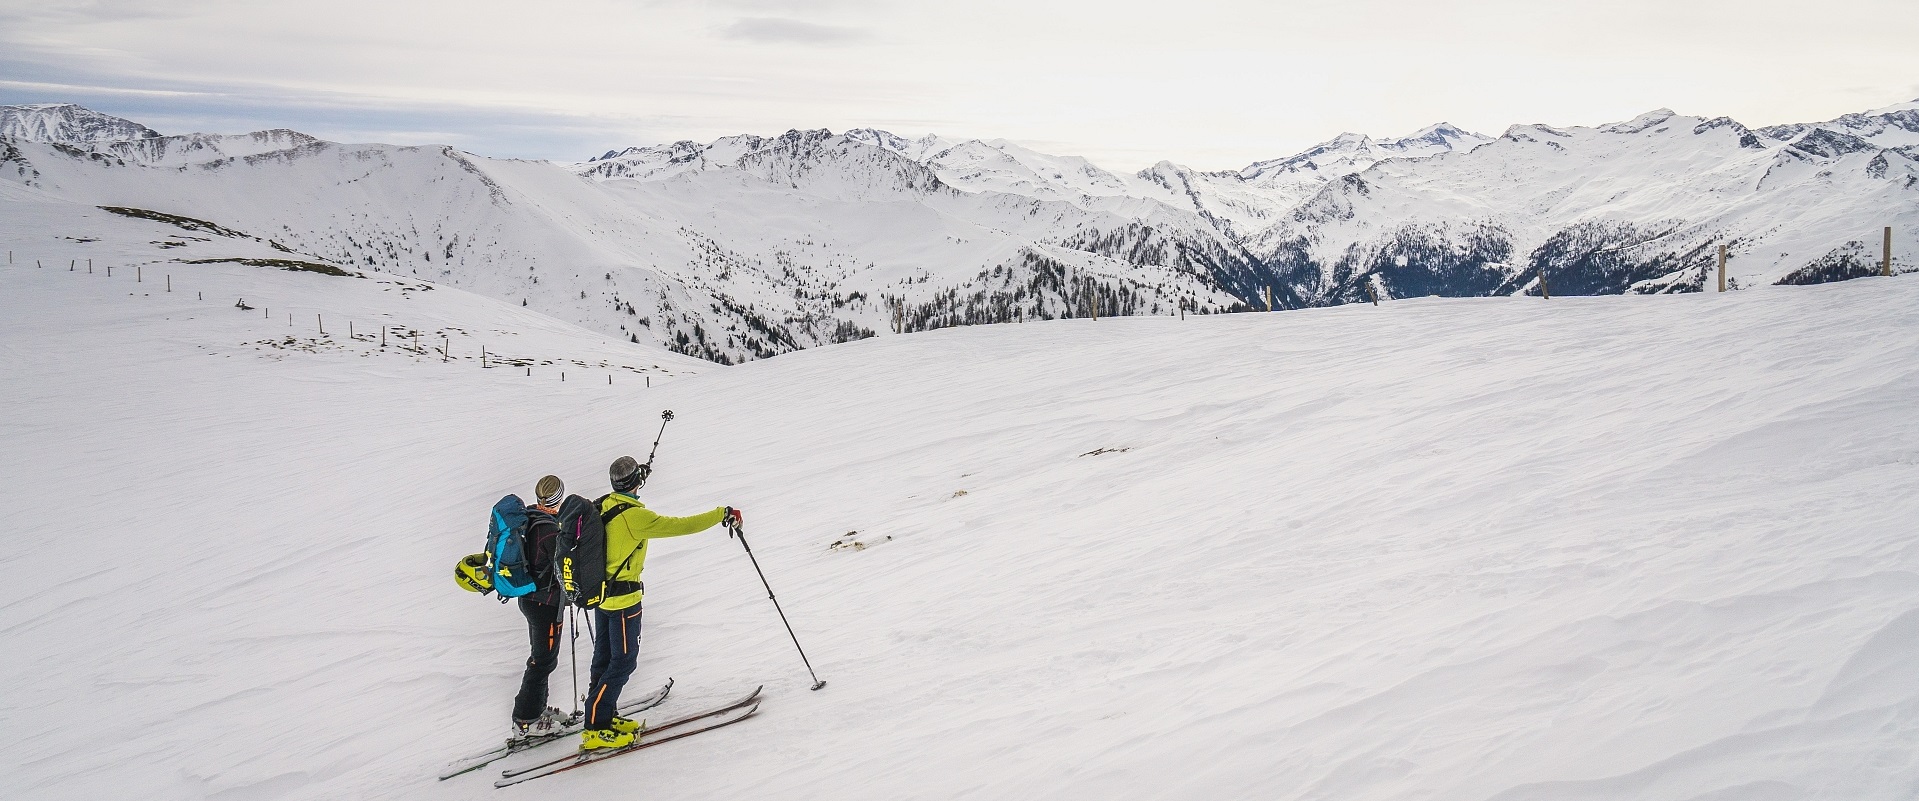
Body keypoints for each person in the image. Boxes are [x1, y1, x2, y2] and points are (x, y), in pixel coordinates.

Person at [580, 455, 740, 751]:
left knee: (604, 659)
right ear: (635, 483)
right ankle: (595, 727)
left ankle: (602, 714)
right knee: (624, 661)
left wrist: (638, 477)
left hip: (602, 597)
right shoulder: (634, 517)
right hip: (624, 601)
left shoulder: (604, 504)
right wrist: (721, 513)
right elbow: (680, 526)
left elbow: (628, 495)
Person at [509, 475, 571, 742]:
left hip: (531, 599)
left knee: (542, 658)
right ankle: (526, 720)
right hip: (544, 603)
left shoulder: (531, 519)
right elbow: (561, 565)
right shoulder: (549, 530)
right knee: (542, 661)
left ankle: (537, 710)